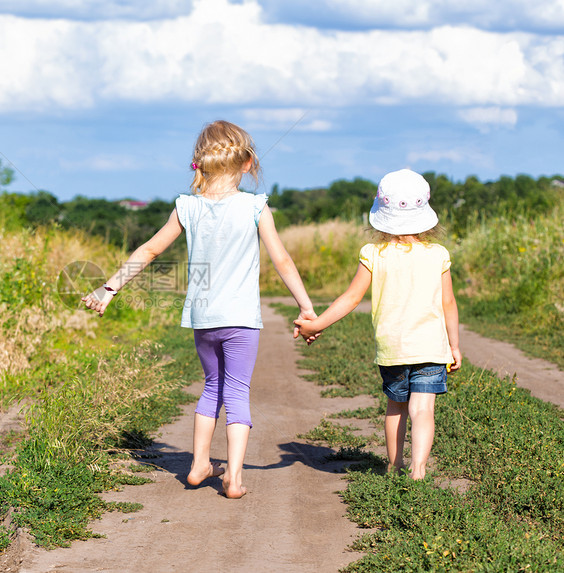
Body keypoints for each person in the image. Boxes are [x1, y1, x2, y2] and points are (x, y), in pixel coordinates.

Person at [82, 120, 316, 498]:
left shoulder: (186, 207)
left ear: (200, 164)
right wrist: (307, 309)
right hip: (241, 319)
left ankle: (199, 464)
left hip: (204, 319)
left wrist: (110, 288)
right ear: (247, 163)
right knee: (237, 392)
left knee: (212, 388)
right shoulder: (256, 206)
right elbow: (283, 261)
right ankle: (234, 478)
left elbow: (149, 250)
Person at [294, 168, 462, 480]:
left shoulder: (373, 253)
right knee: (423, 409)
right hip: (431, 348)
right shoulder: (438, 254)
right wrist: (453, 345)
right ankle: (420, 469)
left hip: (393, 348)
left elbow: (351, 298)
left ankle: (394, 465)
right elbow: (448, 302)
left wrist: (317, 325)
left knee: (396, 407)